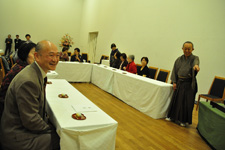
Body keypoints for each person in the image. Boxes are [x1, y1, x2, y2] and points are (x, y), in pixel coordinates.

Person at [1, 40, 60, 150]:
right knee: (61, 138)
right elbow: (31, 120)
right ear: (37, 56)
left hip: (23, 128)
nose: (55, 60)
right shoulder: (28, 81)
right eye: (51, 55)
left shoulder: (36, 72)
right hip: (18, 137)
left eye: (57, 55)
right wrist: (53, 129)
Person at [166, 41, 200, 127]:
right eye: (185, 49)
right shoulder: (179, 59)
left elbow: (196, 63)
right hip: (179, 82)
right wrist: (174, 82)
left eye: (189, 49)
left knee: (187, 103)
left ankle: (184, 120)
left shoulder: (194, 58)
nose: (187, 50)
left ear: (192, 49)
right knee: (176, 101)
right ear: (182, 49)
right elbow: (174, 70)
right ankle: (173, 117)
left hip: (189, 84)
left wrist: (196, 66)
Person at [0, 42, 36, 110]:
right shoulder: (22, 71)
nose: (37, 56)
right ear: (24, 54)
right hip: (9, 110)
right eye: (34, 53)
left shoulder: (20, 65)